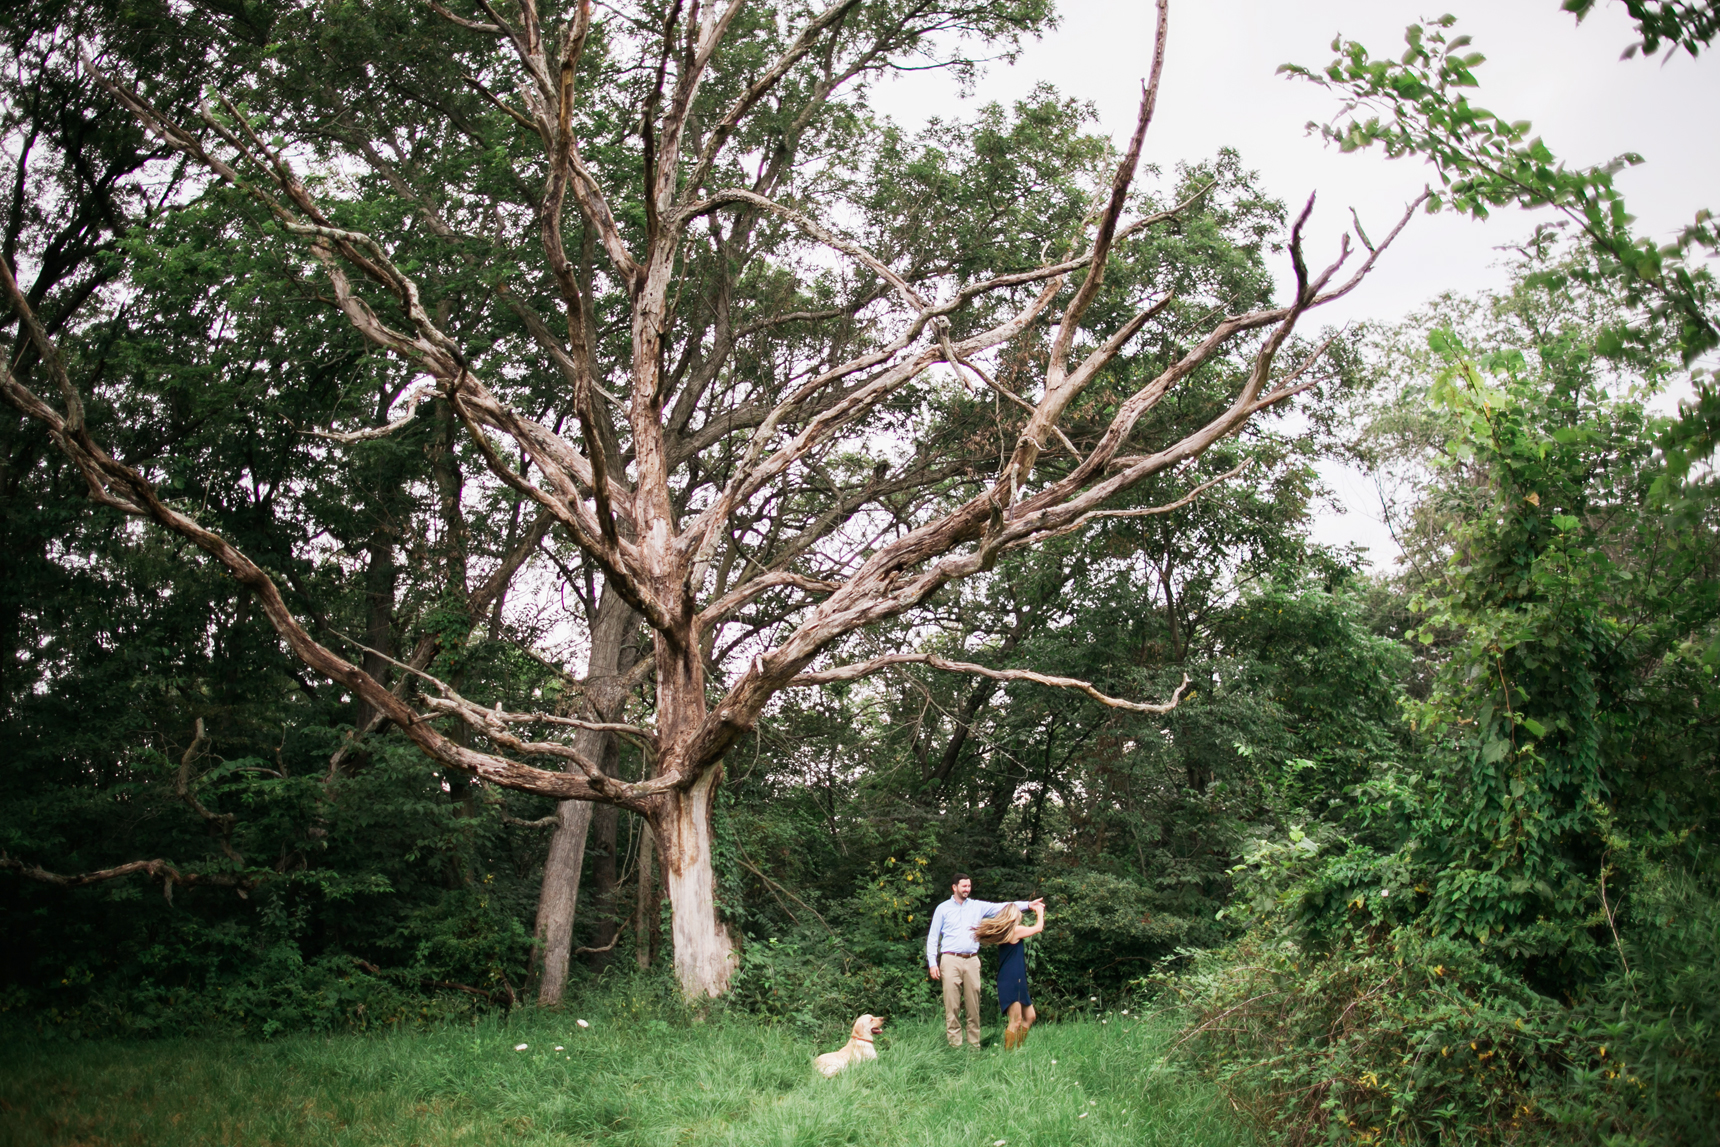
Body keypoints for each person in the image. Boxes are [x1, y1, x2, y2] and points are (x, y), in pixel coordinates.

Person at [925, 874, 1042, 1048]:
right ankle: (955, 1047)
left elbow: (1002, 907)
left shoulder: (977, 906)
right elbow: (933, 937)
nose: (967, 889)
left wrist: (1028, 905)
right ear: (954, 887)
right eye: (963, 886)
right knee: (952, 1006)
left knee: (973, 1006)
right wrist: (933, 963)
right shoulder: (943, 909)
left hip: (972, 960)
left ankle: (974, 1047)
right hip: (950, 959)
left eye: (969, 886)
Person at [975, 902, 1044, 1050]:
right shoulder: (1015, 931)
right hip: (1011, 978)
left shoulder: (1007, 932)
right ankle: (1009, 1054)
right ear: (1014, 915)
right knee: (1016, 1020)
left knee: (1030, 1016)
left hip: (1017, 978)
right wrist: (1040, 912)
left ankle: (1017, 1049)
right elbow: (1038, 928)